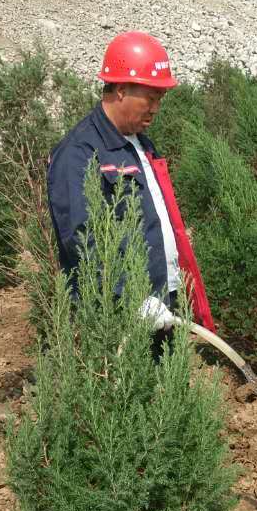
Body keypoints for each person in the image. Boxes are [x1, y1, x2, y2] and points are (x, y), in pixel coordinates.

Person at [47, 31, 214, 340]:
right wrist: (131, 297)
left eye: (160, 100)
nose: (155, 108)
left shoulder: (140, 144)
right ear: (121, 90)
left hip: (162, 304)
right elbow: (84, 241)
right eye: (150, 98)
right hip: (123, 316)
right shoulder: (79, 152)